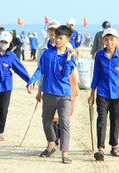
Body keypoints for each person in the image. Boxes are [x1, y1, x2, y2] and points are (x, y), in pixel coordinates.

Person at [27, 25, 76, 164]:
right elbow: (40, 69)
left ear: (67, 39)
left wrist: (68, 57)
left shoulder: (71, 56)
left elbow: (66, 73)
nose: (57, 40)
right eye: (56, 37)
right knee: (46, 121)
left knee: (64, 122)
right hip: (48, 93)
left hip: (64, 95)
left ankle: (65, 153)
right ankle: (51, 142)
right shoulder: (47, 53)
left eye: (61, 38)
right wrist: (32, 81)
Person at [88, 28, 119, 161]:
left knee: (115, 120)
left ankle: (114, 146)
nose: (109, 42)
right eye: (107, 39)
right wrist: (92, 93)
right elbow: (96, 75)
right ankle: (100, 149)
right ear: (103, 40)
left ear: (117, 40)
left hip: (117, 94)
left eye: (112, 39)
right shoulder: (99, 55)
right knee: (101, 120)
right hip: (102, 93)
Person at [36, 20, 80, 148]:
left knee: (65, 116)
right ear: (48, 31)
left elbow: (73, 68)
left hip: (66, 82)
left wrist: (76, 84)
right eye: (50, 30)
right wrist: (39, 91)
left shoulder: (68, 46)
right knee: (49, 118)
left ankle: (60, 140)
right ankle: (52, 142)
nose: (53, 34)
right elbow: (40, 69)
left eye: (55, 31)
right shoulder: (43, 49)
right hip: (49, 85)